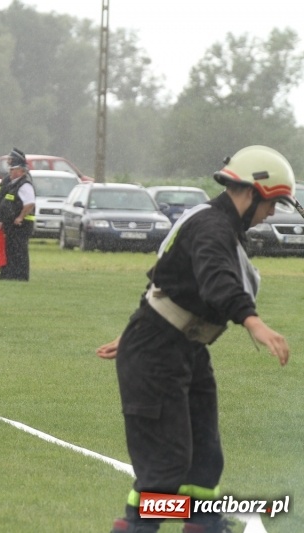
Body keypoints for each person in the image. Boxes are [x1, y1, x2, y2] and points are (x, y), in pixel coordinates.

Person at [98, 145, 294, 533]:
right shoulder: (211, 228)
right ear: (252, 192)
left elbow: (167, 280)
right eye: (271, 203)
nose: (272, 213)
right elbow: (215, 279)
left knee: (204, 458)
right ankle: (138, 525)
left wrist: (134, 330)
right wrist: (252, 321)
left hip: (181, 348)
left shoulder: (220, 225)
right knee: (165, 463)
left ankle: (204, 526)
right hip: (157, 351)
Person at [0, 148, 35, 281]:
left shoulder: (24, 185)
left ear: (21, 171)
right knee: (10, 251)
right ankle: (8, 274)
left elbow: (30, 204)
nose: (10, 171)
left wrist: (20, 217)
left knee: (19, 252)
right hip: (11, 225)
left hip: (21, 226)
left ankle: (20, 276)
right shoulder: (11, 183)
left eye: (13, 169)